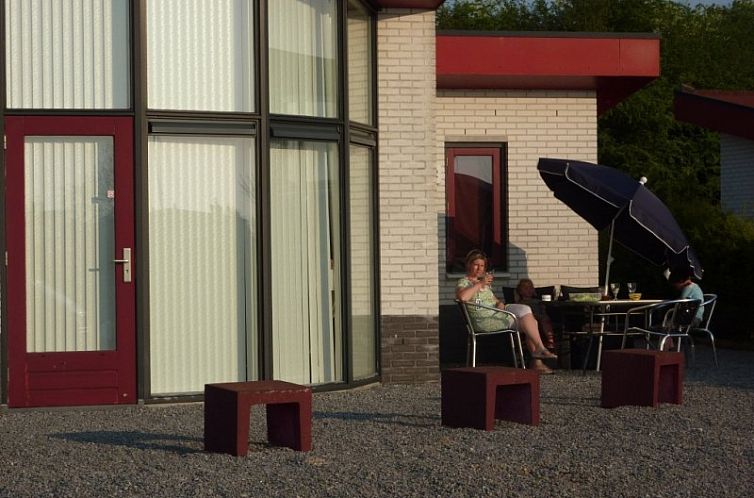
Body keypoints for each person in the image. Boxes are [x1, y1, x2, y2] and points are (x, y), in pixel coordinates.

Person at [456, 249, 557, 374]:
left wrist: (499, 303)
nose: (479, 268)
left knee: (526, 311)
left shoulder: (483, 284)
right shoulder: (464, 282)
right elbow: (463, 297)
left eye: (482, 265)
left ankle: (539, 353)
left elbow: (493, 300)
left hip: (497, 314)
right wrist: (480, 283)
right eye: (476, 264)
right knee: (531, 323)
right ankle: (538, 356)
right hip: (484, 321)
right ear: (469, 265)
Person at [516, 278, 557, 351]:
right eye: (525, 288)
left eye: (531, 287)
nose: (529, 290)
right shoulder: (519, 303)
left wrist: (543, 309)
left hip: (541, 318)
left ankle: (550, 340)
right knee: (536, 320)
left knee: (545, 319)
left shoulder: (538, 301)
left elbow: (543, 311)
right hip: (529, 320)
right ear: (520, 291)